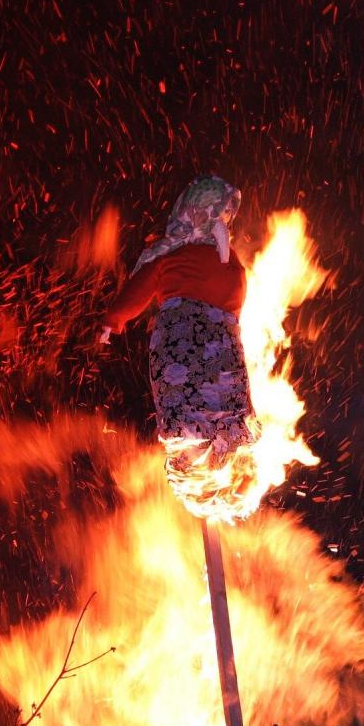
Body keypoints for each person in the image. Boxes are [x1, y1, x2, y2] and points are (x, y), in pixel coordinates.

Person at [99, 175, 258, 508]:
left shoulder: (171, 257)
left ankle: (195, 473)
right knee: (226, 405)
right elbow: (235, 305)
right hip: (224, 350)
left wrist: (113, 321)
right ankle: (232, 462)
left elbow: (136, 294)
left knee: (186, 412)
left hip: (181, 348)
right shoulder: (234, 266)